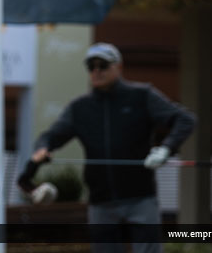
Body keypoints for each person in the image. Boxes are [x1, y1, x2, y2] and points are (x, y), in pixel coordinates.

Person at [18, 43, 196, 253]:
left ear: (118, 67)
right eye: (91, 66)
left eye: (103, 65)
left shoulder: (142, 95)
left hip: (140, 198)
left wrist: (166, 149)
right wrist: (43, 147)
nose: (97, 71)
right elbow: (50, 136)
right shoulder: (80, 108)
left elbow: (185, 119)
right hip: (101, 203)